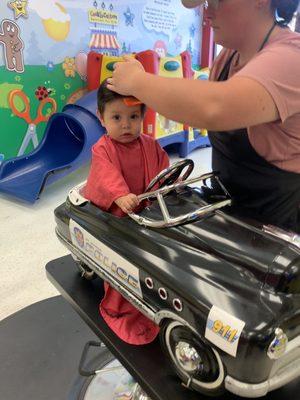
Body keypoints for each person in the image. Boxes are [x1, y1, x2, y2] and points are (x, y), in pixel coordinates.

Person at [107, 0, 300, 233]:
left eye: (217, 2)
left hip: (280, 234)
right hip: (230, 212)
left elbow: (214, 108)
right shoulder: (228, 57)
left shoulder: (291, 57)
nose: (207, 13)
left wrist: (137, 82)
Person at [84, 79, 169, 345]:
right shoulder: (103, 149)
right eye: (117, 117)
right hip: (116, 220)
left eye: (133, 117)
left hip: (147, 214)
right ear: (101, 118)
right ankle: (121, 306)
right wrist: (120, 195)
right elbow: (106, 177)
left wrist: (172, 188)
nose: (125, 124)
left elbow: (164, 171)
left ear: (143, 116)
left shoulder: (149, 144)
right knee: (123, 261)